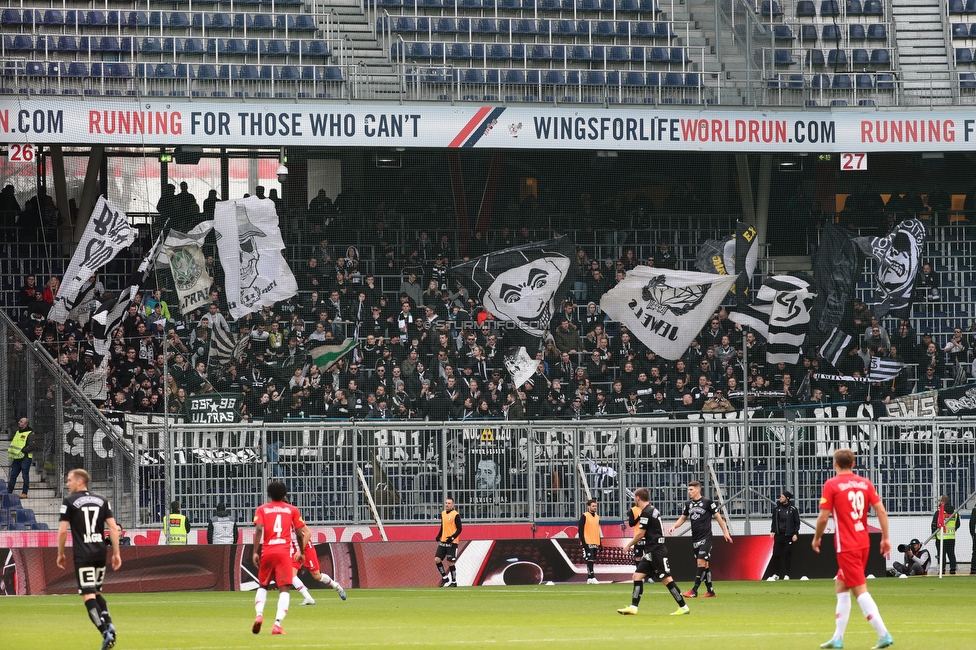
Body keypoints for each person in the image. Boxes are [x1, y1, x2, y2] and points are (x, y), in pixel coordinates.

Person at [812, 448, 893, 650]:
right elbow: (881, 510)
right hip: (863, 541)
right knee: (841, 586)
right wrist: (885, 537)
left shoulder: (831, 484)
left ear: (834, 464)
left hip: (846, 545)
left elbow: (823, 517)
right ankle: (837, 638)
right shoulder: (865, 483)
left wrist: (817, 538)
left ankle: (883, 634)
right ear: (854, 464)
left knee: (859, 590)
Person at [56, 469, 121, 650]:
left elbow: (62, 531)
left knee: (88, 595)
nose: (67, 483)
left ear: (79, 482)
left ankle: (104, 632)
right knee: (97, 592)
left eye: (69, 480)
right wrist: (116, 553)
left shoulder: (69, 502)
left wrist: (60, 553)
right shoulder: (102, 500)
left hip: (83, 554)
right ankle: (110, 624)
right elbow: (114, 529)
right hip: (100, 552)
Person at [617, 487, 690, 616]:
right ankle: (633, 607)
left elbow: (640, 533)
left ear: (638, 498)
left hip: (657, 551)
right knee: (637, 576)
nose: (634, 499)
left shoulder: (646, 512)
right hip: (651, 551)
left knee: (667, 580)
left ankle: (683, 607)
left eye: (634, 497)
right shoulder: (653, 510)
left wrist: (629, 545)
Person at [252, 481, 308, 635]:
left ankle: (259, 615)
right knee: (284, 589)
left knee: (263, 586)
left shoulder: (262, 509)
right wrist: (302, 552)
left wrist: (255, 552)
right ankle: (277, 624)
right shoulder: (292, 510)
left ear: (269, 494)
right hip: (283, 553)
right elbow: (298, 533)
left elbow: (258, 530)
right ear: (284, 494)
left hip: (267, 551)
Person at [668, 480, 733, 598]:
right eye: (688, 490)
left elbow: (718, 517)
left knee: (700, 562)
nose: (689, 492)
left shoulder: (708, 502)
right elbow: (683, 518)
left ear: (698, 490)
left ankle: (694, 590)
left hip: (706, 538)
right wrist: (674, 526)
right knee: (705, 566)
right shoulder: (688, 504)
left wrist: (725, 532)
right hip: (695, 539)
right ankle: (710, 591)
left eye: (691, 490)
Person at [291, 523, 346, 605]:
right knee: (291, 574)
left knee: (317, 576)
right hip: (294, 550)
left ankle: (336, 586)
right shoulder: (280, 520)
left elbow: (308, 533)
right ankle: (308, 598)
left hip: (306, 549)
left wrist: (300, 550)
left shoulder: (294, 519)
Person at [768, 490, 800, 581]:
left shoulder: (793, 509)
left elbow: (797, 522)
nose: (780, 498)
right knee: (775, 554)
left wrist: (795, 533)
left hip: (788, 535)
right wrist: (773, 530)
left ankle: (786, 574)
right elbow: (774, 521)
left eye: (782, 497)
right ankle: (775, 574)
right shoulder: (777, 509)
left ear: (787, 498)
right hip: (779, 535)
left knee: (787, 555)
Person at [434, 496, 462, 587]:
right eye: (446, 503)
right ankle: (445, 577)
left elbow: (459, 528)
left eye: (449, 503)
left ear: (453, 505)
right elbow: (443, 526)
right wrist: (439, 535)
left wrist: (452, 537)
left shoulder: (455, 514)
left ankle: (454, 582)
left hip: (452, 543)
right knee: (437, 559)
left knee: (450, 562)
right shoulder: (443, 513)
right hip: (443, 541)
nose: (447, 505)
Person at [7, 416, 36, 499]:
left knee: (25, 475)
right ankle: (9, 491)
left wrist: (23, 450)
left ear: (25, 424)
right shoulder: (18, 432)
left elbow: (32, 446)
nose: (19, 422)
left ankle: (24, 493)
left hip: (25, 458)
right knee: (12, 475)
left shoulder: (30, 433)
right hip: (17, 458)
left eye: (21, 421)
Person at [931, 494, 960, 575]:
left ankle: (942, 570)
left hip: (940, 537)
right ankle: (953, 570)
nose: (939, 502)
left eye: (940, 500)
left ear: (943, 502)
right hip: (951, 537)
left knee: (941, 555)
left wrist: (934, 536)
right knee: (951, 554)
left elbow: (934, 524)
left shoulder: (939, 512)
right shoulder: (955, 512)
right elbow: (958, 524)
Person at [577, 498, 601, 584]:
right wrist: (583, 542)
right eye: (593, 506)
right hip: (588, 540)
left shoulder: (597, 517)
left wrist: (600, 543)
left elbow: (597, 530)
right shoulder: (584, 516)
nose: (595, 508)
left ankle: (590, 578)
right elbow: (580, 530)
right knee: (589, 559)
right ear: (588, 507)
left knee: (593, 559)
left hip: (595, 540)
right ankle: (592, 576)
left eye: (595, 506)